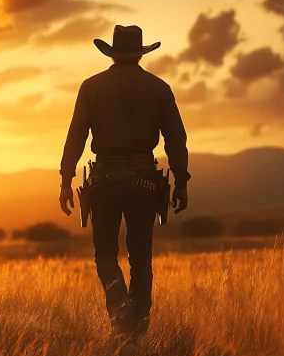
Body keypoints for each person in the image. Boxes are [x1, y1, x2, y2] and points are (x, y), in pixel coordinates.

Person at [58, 25, 190, 337]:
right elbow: (176, 140)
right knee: (141, 257)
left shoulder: (91, 87)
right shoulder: (159, 88)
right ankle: (138, 327)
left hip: (104, 180)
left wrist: (66, 179)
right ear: (141, 53)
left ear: (113, 53)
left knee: (104, 254)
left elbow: (75, 136)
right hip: (146, 181)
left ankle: (121, 313)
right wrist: (181, 181)